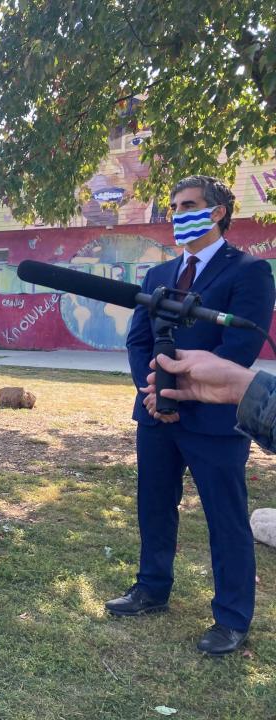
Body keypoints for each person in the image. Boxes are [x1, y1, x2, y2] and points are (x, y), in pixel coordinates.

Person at [111, 175, 275, 656]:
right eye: (174, 207)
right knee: (154, 506)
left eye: (189, 205)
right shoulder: (157, 276)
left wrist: (178, 391)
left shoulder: (248, 272)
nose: (178, 214)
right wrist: (154, 391)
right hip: (153, 413)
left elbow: (238, 350)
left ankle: (231, 617)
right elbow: (138, 340)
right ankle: (151, 588)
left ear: (219, 211)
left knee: (225, 518)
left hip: (214, 421)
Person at [144, 349, 276, 454]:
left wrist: (236, 383)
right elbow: (137, 342)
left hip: (216, 422)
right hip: (156, 418)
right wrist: (158, 391)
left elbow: (243, 343)